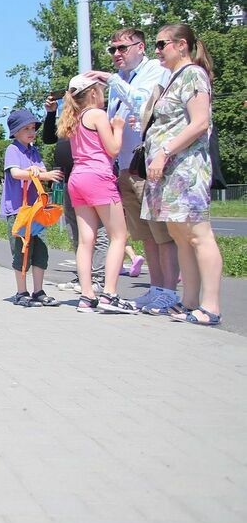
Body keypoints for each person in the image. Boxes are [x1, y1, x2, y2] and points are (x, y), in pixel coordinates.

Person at [142, 23, 222, 325]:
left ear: (182, 46)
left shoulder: (193, 74)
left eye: (162, 44)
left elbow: (200, 122)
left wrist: (165, 151)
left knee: (199, 235)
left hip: (186, 169)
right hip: (166, 172)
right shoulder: (173, 78)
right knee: (179, 234)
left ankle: (210, 305)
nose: (158, 51)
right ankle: (188, 301)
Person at [100, 27, 180, 315]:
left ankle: (170, 291)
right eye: (113, 50)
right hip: (125, 165)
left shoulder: (153, 72)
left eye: (122, 48)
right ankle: (157, 288)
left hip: (148, 165)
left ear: (141, 47)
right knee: (144, 233)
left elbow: (143, 103)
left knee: (162, 234)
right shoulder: (119, 81)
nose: (117, 55)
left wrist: (111, 80)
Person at [58, 74, 135, 313]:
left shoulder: (73, 119)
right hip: (98, 177)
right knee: (118, 236)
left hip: (77, 178)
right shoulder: (97, 115)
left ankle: (86, 295)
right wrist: (119, 128)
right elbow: (112, 149)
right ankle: (109, 294)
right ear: (93, 93)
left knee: (85, 240)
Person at [42, 93, 107, 294]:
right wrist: (51, 114)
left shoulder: (93, 116)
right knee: (75, 230)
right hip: (68, 180)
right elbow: (48, 138)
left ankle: (98, 277)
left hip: (92, 178)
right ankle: (84, 276)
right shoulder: (68, 121)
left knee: (100, 231)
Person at [1, 109, 64, 307]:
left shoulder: (34, 151)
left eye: (33, 128)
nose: (31, 132)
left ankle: (38, 290)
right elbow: (15, 173)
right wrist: (33, 172)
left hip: (37, 210)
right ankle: (21, 292)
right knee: (21, 251)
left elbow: (42, 170)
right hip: (19, 211)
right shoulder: (13, 150)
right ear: (15, 132)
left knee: (40, 251)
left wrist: (41, 172)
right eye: (26, 128)